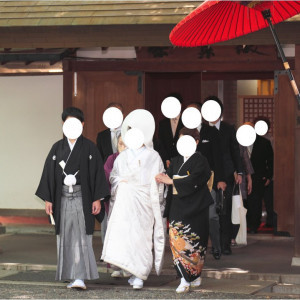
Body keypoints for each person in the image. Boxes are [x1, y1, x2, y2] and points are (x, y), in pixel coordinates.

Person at [36, 107, 110, 290]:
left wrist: (97, 198)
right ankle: (69, 274)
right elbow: (48, 174)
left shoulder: (89, 147)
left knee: (81, 237)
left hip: (81, 197)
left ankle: (80, 277)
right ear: (63, 125)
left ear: (82, 124)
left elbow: (97, 174)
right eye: (67, 123)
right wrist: (48, 199)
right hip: (61, 198)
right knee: (65, 237)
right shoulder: (57, 148)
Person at [101, 109, 165, 290]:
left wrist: (150, 189)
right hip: (126, 202)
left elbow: (159, 180)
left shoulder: (153, 156)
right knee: (127, 236)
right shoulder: (123, 157)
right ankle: (130, 269)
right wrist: (120, 182)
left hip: (144, 202)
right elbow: (113, 177)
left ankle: (140, 274)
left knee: (142, 238)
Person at [156, 127, 213, 294]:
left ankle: (194, 275)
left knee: (196, 245)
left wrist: (172, 181)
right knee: (177, 244)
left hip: (196, 208)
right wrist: (163, 178)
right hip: (178, 208)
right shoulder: (175, 160)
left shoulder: (201, 161)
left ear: (196, 142)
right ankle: (183, 278)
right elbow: (168, 178)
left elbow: (197, 179)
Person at [187, 102, 226, 260]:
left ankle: (216, 246)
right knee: (192, 216)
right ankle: (194, 249)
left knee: (211, 216)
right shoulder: (184, 133)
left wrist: (221, 179)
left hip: (209, 180)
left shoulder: (211, 132)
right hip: (189, 180)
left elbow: (219, 157)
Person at [205, 96, 243, 255]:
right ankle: (214, 244)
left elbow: (235, 151)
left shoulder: (228, 129)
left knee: (225, 210)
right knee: (211, 211)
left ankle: (225, 244)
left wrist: (239, 171)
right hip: (208, 176)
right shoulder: (203, 129)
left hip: (227, 174)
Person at [102, 134, 128, 278]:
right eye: (120, 144)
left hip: (131, 202)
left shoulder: (135, 158)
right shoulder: (112, 159)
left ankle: (128, 266)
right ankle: (116, 266)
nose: (123, 147)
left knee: (128, 233)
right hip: (115, 201)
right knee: (113, 233)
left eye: (125, 144)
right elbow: (107, 174)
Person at [246, 123, 274, 233]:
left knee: (255, 202)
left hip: (258, 177)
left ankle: (254, 225)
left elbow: (271, 161)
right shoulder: (238, 142)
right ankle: (245, 225)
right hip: (242, 177)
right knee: (245, 203)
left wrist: (268, 176)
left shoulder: (264, 142)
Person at [231, 145, 254, 246]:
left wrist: (249, 179)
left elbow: (246, 163)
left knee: (237, 208)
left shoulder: (240, 144)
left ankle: (233, 236)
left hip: (238, 180)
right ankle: (232, 236)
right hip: (231, 179)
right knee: (235, 208)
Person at [158, 93, 184, 168]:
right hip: (167, 162)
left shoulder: (186, 122)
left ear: (180, 105)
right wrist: (166, 159)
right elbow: (161, 143)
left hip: (182, 161)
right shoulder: (163, 123)